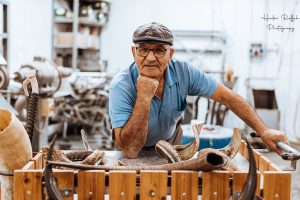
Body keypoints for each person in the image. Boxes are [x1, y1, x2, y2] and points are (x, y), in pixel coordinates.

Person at [109, 22, 289, 158]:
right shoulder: (121, 86)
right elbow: (130, 149)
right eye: (143, 50)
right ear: (134, 52)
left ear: (170, 54)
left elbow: (228, 97)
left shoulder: (184, 72)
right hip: (130, 153)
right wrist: (143, 97)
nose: (150, 58)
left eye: (159, 50)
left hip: (170, 145)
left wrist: (264, 130)